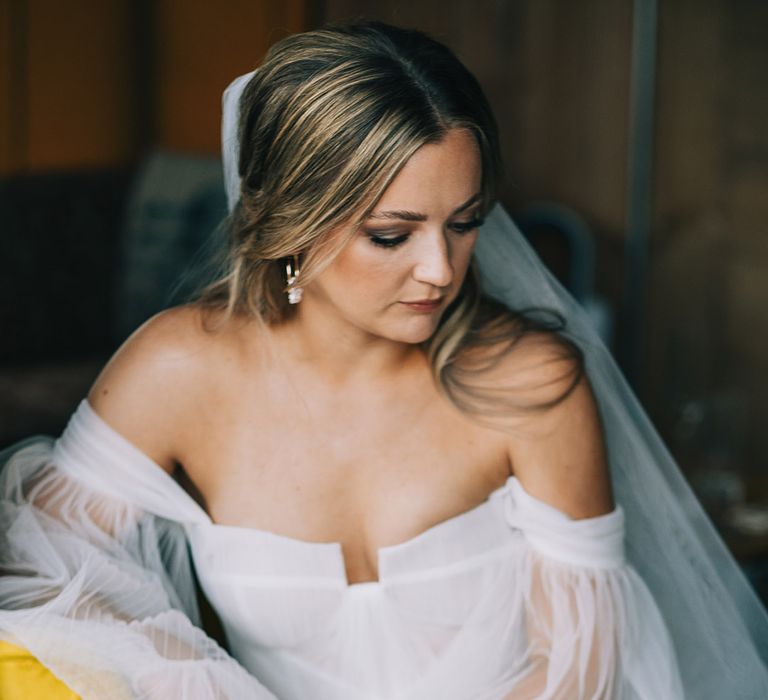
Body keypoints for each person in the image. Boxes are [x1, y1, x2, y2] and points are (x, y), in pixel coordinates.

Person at [1, 21, 767, 700]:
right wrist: (181, 668)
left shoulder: (529, 382)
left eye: (465, 223)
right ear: (290, 220)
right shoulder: (179, 370)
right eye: (392, 235)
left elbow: (582, 661)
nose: (440, 268)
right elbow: (43, 566)